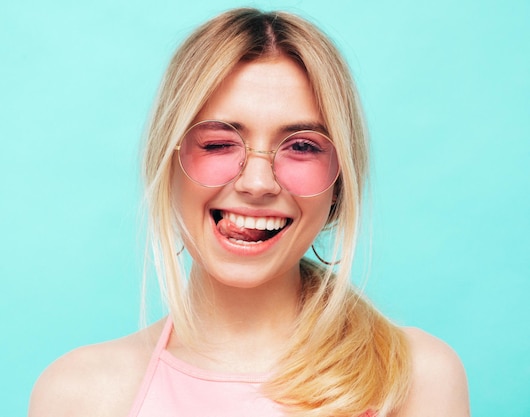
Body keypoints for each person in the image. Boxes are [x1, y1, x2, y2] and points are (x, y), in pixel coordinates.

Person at [28, 8, 470, 417]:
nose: (257, 183)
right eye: (218, 143)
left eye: (301, 147)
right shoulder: (79, 394)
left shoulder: (417, 379)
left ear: (339, 185)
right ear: (168, 165)